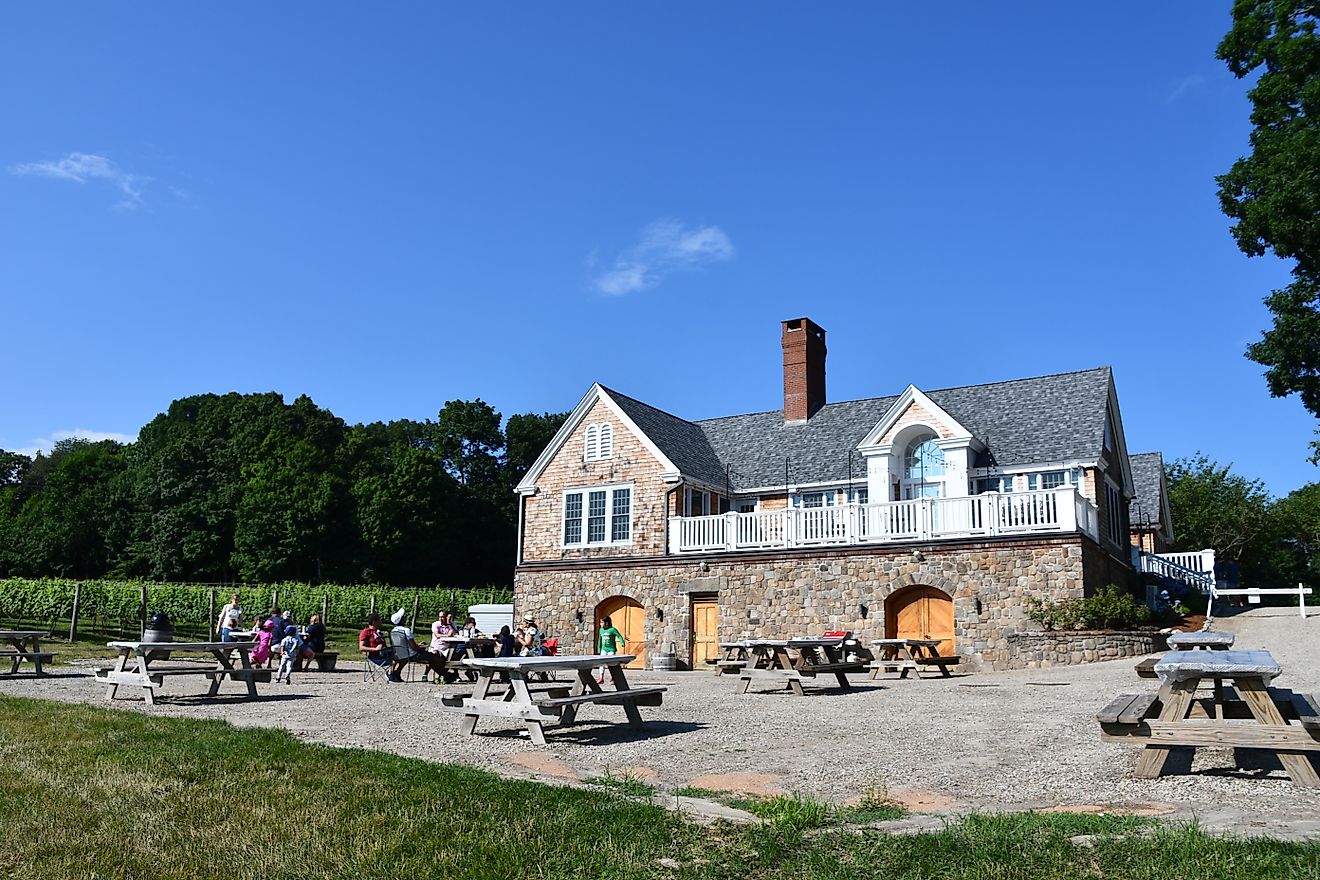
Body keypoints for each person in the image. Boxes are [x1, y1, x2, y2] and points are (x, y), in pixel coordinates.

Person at [387, 608, 453, 683]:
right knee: (433, 657)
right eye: (404, 617)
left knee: (432, 655)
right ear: (401, 620)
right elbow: (414, 647)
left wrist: (418, 645)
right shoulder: (406, 630)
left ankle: (396, 673)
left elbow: (403, 644)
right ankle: (445, 675)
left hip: (401, 653)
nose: (405, 619)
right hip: (412, 654)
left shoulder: (393, 631)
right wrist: (421, 648)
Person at [596, 615, 625, 684]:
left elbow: (619, 636)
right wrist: (599, 648)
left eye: (602, 622)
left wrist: (622, 642)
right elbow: (600, 640)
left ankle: (614, 678)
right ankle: (601, 677)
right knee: (601, 663)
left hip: (611, 650)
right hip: (604, 649)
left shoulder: (612, 630)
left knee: (612, 664)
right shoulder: (601, 630)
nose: (600, 624)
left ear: (607, 623)